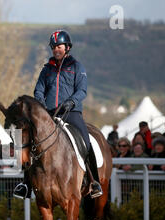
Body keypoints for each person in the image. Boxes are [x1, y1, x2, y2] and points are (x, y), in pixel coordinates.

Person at [13, 29, 103, 199]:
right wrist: (40, 104)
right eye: (53, 47)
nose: (56, 49)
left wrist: (72, 101)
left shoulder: (77, 67)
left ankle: (94, 181)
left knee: (86, 140)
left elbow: (82, 90)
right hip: (49, 114)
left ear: (67, 47)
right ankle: (25, 183)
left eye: (59, 46)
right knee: (31, 143)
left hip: (71, 112)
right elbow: (38, 89)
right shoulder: (46, 69)